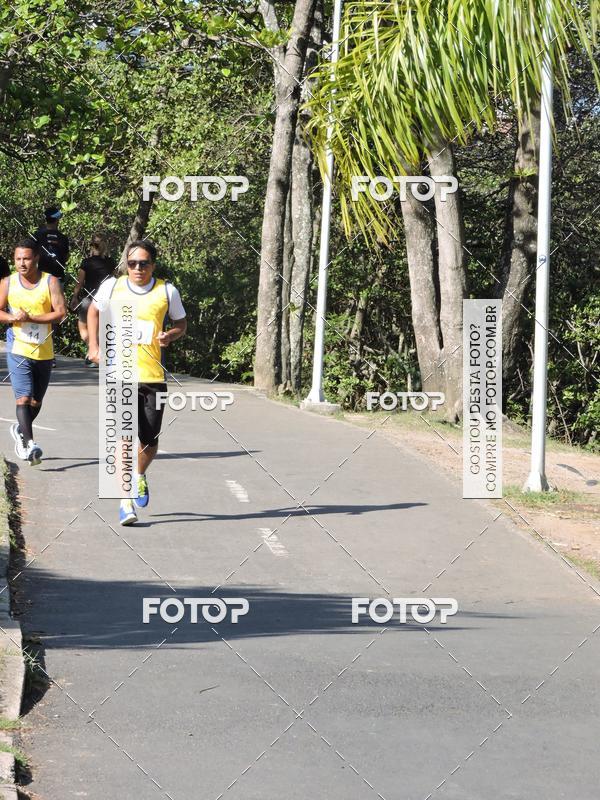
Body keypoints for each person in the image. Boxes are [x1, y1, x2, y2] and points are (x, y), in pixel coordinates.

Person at [87, 240, 187, 525]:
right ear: (126, 265)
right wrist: (93, 346)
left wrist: (171, 335)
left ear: (152, 265)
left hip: (153, 376)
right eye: (132, 263)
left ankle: (140, 475)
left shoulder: (167, 291)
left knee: (149, 440)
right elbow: (93, 311)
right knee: (125, 436)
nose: (138, 268)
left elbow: (181, 323)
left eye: (143, 263)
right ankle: (125, 500)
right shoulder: (112, 287)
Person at [0, 237, 66, 465]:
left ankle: (20, 431)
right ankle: (29, 444)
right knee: (23, 398)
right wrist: (12, 318)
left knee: (36, 402)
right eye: (18, 259)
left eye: (26, 258)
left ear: (36, 258)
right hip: (18, 348)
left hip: (44, 351)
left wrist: (32, 318)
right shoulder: (8, 282)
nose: (22, 263)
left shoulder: (51, 282)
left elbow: (60, 313)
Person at [69, 234, 116, 367]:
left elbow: (80, 281)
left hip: (89, 300)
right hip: (105, 300)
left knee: (83, 326)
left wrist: (74, 296)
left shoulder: (86, 262)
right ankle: (96, 351)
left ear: (91, 246)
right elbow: (114, 281)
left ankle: (92, 350)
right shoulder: (110, 262)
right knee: (101, 328)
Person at [33, 206, 70, 283]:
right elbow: (66, 257)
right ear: (57, 220)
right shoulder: (63, 238)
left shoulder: (37, 235)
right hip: (56, 278)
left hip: (41, 278)